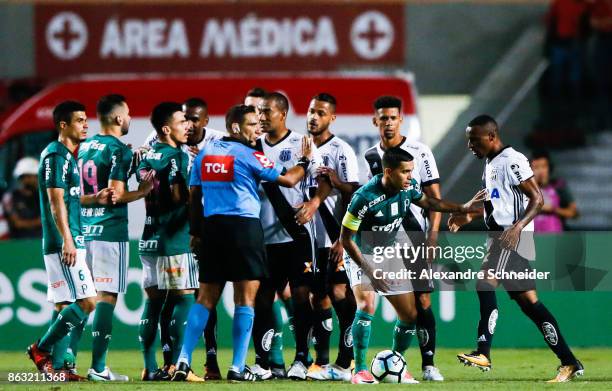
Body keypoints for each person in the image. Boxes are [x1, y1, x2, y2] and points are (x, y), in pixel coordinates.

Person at [173, 104, 313, 381]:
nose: (257, 129)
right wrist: (305, 160)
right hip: (244, 230)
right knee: (245, 299)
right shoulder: (250, 155)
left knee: (204, 299)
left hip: (212, 230)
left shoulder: (204, 155)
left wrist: (196, 232)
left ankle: (183, 360)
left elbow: (193, 197)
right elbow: (288, 179)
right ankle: (237, 366)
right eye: (251, 124)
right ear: (236, 127)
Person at [451, 115, 584, 382]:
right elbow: (497, 203)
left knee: (484, 284)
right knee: (530, 304)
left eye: (474, 140)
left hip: (509, 238)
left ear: (491, 136)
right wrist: (469, 216)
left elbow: (537, 198)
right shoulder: (490, 162)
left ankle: (483, 351)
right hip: (504, 235)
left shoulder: (512, 160)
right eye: (469, 141)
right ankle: (569, 362)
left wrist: (518, 227)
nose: (470, 146)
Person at [341, 147, 483, 384]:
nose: (410, 176)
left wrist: (462, 208)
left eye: (411, 171)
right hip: (361, 253)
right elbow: (346, 239)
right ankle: (360, 370)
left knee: (409, 315)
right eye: (405, 172)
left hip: (388, 252)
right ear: (388, 172)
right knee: (366, 304)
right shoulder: (363, 198)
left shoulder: (409, 188)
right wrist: (370, 271)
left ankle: (397, 363)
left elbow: (428, 201)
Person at [27, 101, 112, 378]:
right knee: (88, 302)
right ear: (63, 125)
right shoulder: (55, 156)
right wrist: (68, 240)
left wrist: (92, 199)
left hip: (68, 238)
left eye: (86, 120)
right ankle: (41, 348)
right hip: (64, 241)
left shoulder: (67, 156)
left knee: (65, 304)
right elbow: (55, 201)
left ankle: (59, 367)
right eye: (79, 120)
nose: (86, 124)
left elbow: (69, 197)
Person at [362, 96, 444, 381]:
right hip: (381, 242)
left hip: (415, 237)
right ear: (375, 121)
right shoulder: (371, 157)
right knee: (376, 302)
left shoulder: (420, 152)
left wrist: (432, 239)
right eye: (382, 118)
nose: (387, 123)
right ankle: (383, 362)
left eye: (392, 118)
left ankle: (429, 365)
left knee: (423, 301)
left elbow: (435, 199)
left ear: (401, 119)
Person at [250, 92, 330, 380]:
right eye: (258, 111)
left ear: (282, 114)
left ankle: (301, 359)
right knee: (262, 299)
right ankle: (263, 362)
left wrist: (314, 203)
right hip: (262, 237)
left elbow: (324, 181)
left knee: (300, 296)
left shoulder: (301, 143)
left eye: (266, 111)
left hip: (296, 235)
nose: (260, 116)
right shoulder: (252, 144)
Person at [77, 94, 153, 381]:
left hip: (85, 229)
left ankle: (68, 361)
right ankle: (98, 367)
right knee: (106, 297)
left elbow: (93, 186)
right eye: (129, 113)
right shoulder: (118, 149)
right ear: (119, 118)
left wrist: (129, 164)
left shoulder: (85, 147)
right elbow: (114, 196)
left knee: (84, 297)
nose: (131, 118)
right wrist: (142, 193)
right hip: (109, 230)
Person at [137, 102, 200, 382]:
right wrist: (194, 195)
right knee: (185, 298)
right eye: (181, 121)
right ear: (166, 128)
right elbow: (178, 197)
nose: (187, 125)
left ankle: (150, 367)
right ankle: (177, 365)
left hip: (149, 236)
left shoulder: (147, 155)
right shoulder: (176, 156)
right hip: (173, 240)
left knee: (154, 303)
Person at [303, 93, 359, 381]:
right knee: (317, 297)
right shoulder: (302, 146)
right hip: (309, 239)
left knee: (339, 294)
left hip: (334, 238)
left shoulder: (341, 150)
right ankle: (321, 362)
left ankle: (346, 359)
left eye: (321, 113)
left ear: (332, 117)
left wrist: (342, 239)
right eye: (311, 111)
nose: (313, 117)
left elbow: (354, 194)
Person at [531, 150, 578, 232]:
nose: (540, 171)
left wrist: (553, 209)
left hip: (554, 237)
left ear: (549, 168)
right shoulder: (525, 189)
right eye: (536, 167)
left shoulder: (558, 186)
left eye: (543, 166)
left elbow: (574, 213)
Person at [2, 157, 42, 239]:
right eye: (30, 177)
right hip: (17, 243)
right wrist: (37, 222)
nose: (34, 180)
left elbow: (47, 221)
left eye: (35, 177)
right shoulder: (10, 197)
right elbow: (17, 223)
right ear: (22, 178)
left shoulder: (43, 196)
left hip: (40, 241)